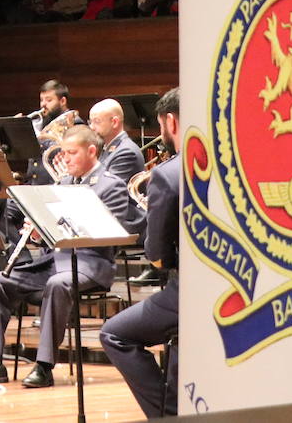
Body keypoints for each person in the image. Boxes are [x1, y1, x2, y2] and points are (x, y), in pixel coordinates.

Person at [0, 126, 133, 388]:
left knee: (58, 285)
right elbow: (50, 233)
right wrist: (37, 233)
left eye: (71, 153)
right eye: (64, 154)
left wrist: (60, 226)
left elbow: (111, 236)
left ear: (91, 151)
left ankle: (44, 366)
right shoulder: (64, 183)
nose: (65, 159)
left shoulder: (110, 186)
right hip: (54, 262)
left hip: (91, 263)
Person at [101, 88, 182, 418]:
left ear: (170, 122)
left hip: (187, 293)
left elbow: (157, 256)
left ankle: (166, 413)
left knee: (114, 334)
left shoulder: (166, 174)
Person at [88, 98, 143, 184]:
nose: (92, 127)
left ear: (114, 122)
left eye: (97, 121)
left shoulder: (126, 152)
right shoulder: (106, 147)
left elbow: (107, 189)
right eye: (90, 122)